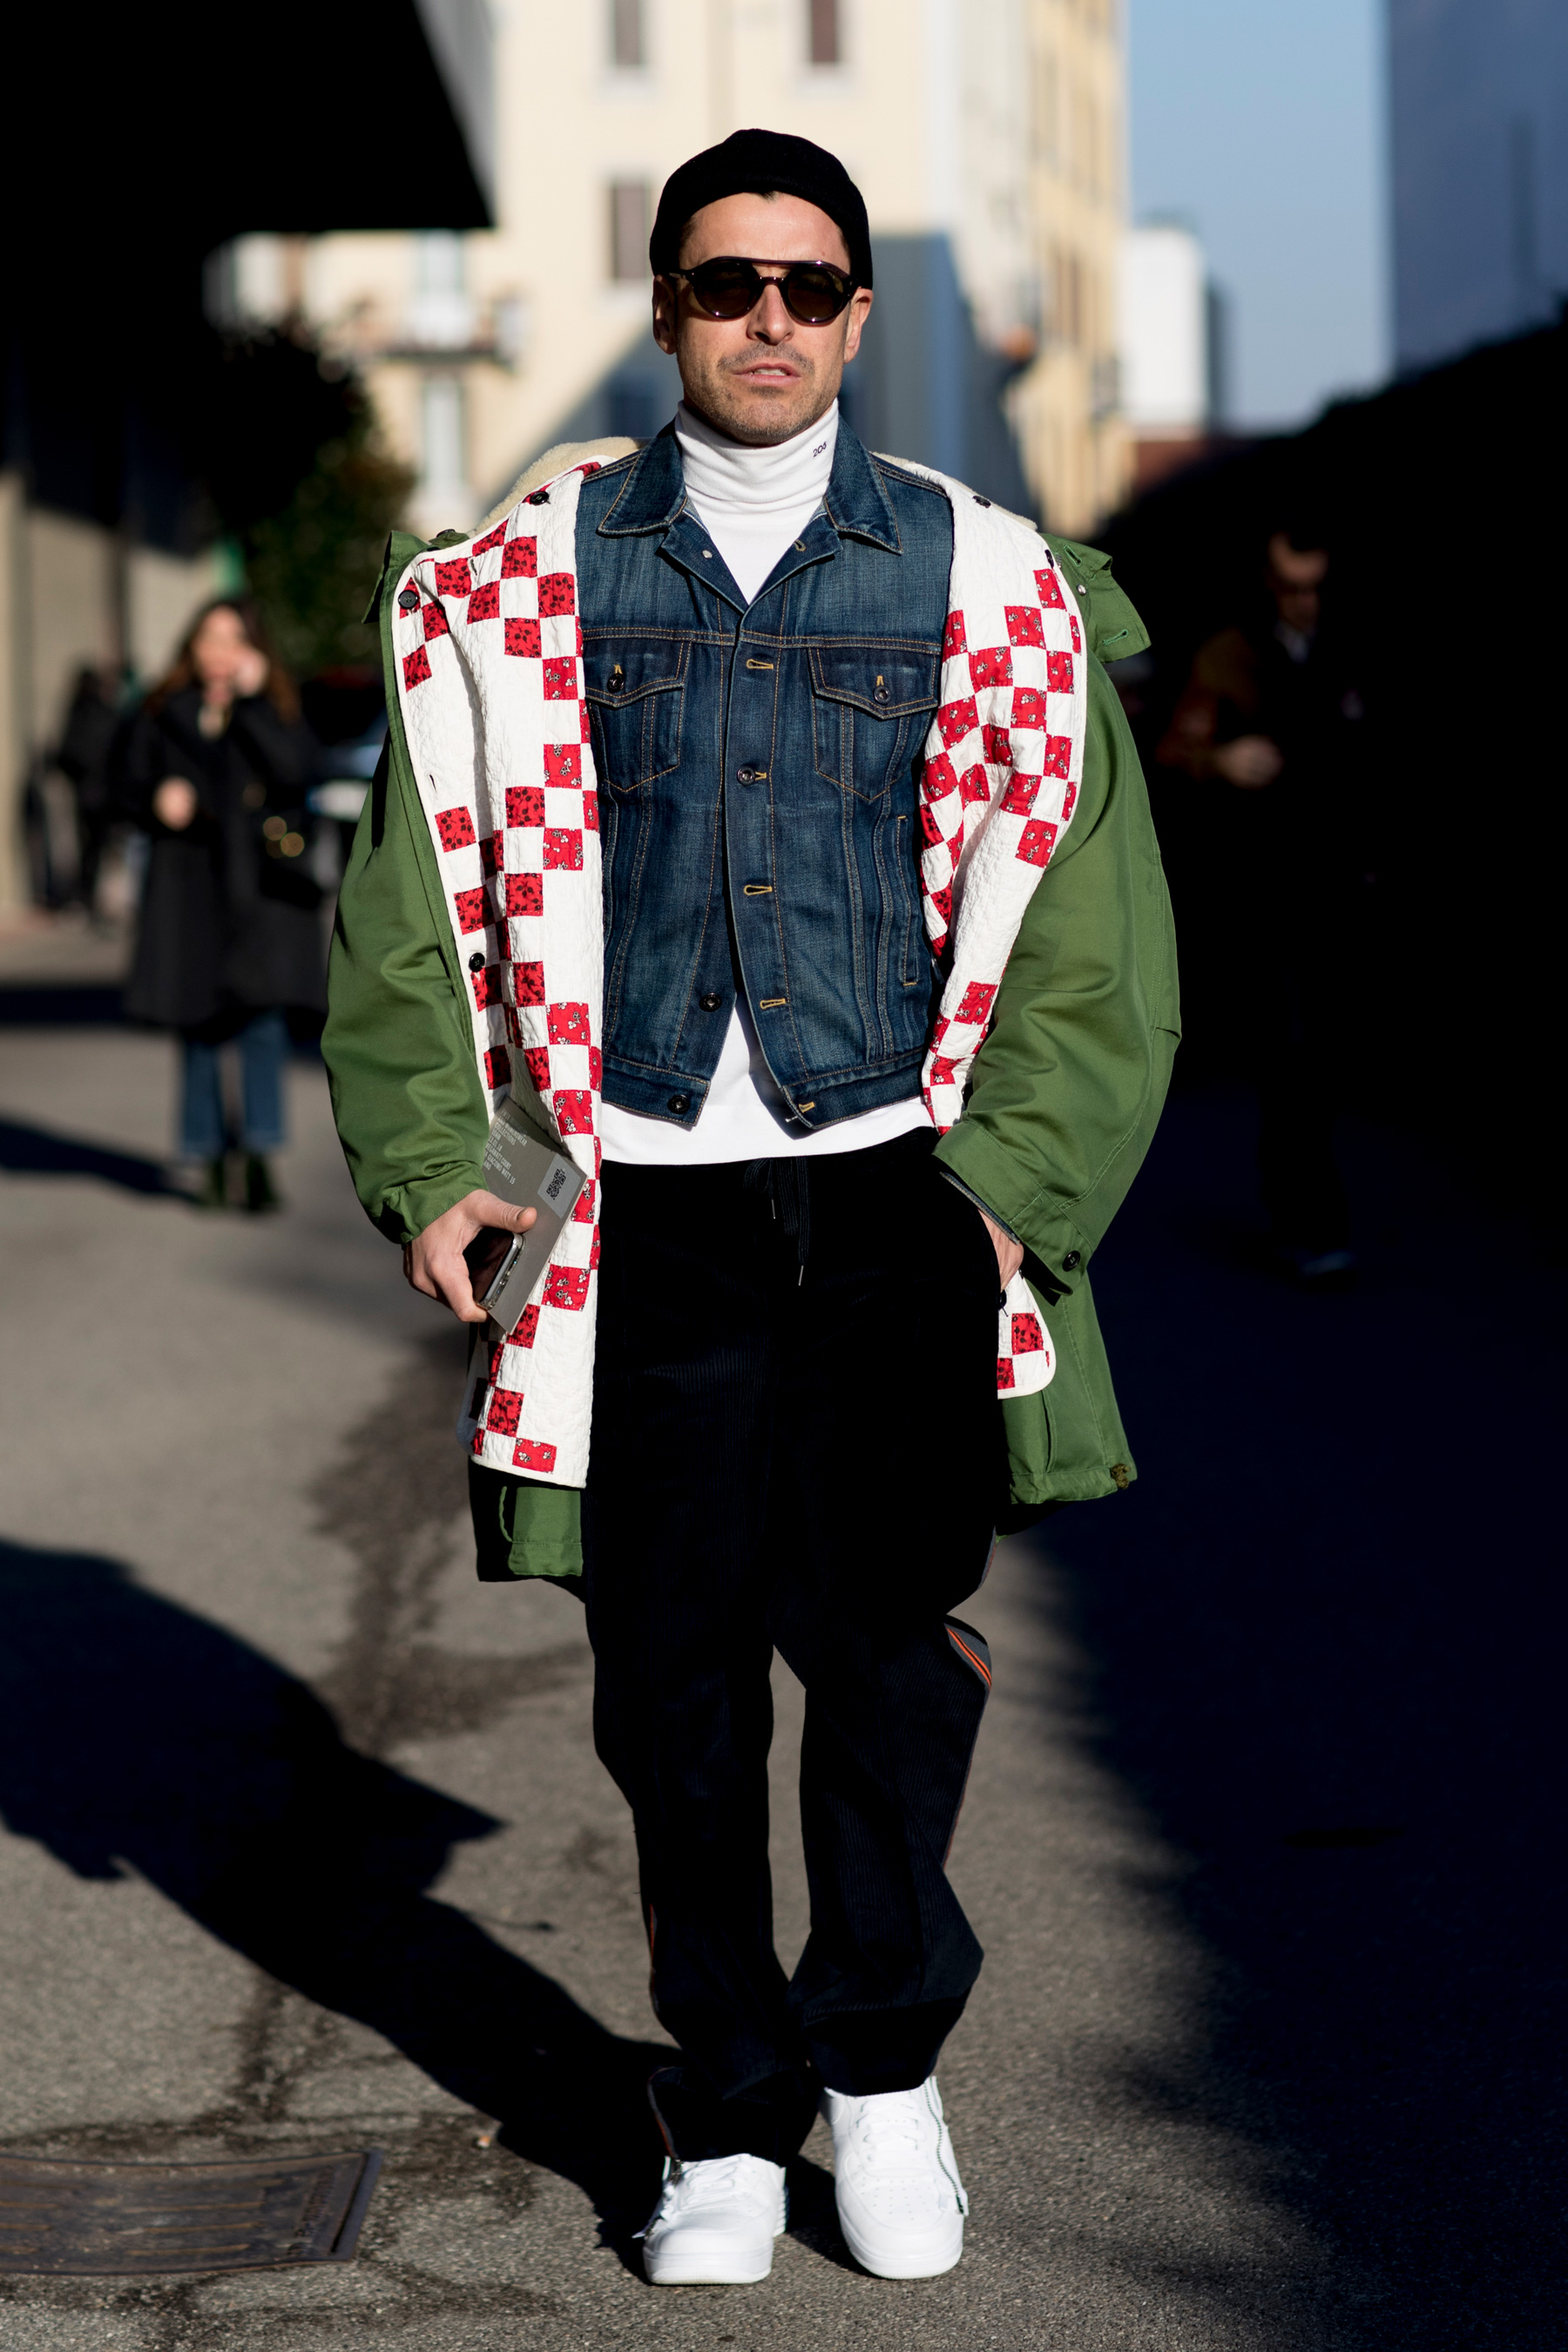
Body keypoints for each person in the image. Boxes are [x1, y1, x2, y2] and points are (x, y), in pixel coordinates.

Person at [326, 130, 1177, 2288]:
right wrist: (431, 1160)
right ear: (666, 305)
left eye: (807, 285)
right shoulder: (529, 580)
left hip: (895, 1194)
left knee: (886, 1664)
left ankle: (879, 2070)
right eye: (727, 284)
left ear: (861, 313)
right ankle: (721, 2101)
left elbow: (1090, 918)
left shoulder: (986, 578)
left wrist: (1009, 1194)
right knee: (673, 1684)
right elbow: (416, 881)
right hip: (643, 1220)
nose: (768, 320)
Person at [1158, 531, 1369, 1284]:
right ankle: (1309, 1218)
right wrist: (1219, 761)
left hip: (1341, 886)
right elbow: (1176, 748)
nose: (1304, 603)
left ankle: (1306, 1206)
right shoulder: (1230, 655)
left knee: (1327, 1052)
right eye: (1290, 587)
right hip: (1267, 887)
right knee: (1291, 1051)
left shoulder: (1350, 650)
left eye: (1316, 587)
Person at [121, 598, 324, 1210]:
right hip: (189, 892)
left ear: (254, 650)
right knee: (200, 1026)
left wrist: (255, 704)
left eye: (234, 639)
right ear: (192, 646)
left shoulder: (273, 707)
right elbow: (118, 782)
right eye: (210, 638)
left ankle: (260, 1156)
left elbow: (297, 772)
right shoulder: (163, 708)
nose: (220, 651)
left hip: (260, 892)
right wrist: (157, 798)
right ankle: (207, 1156)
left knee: (261, 1024)